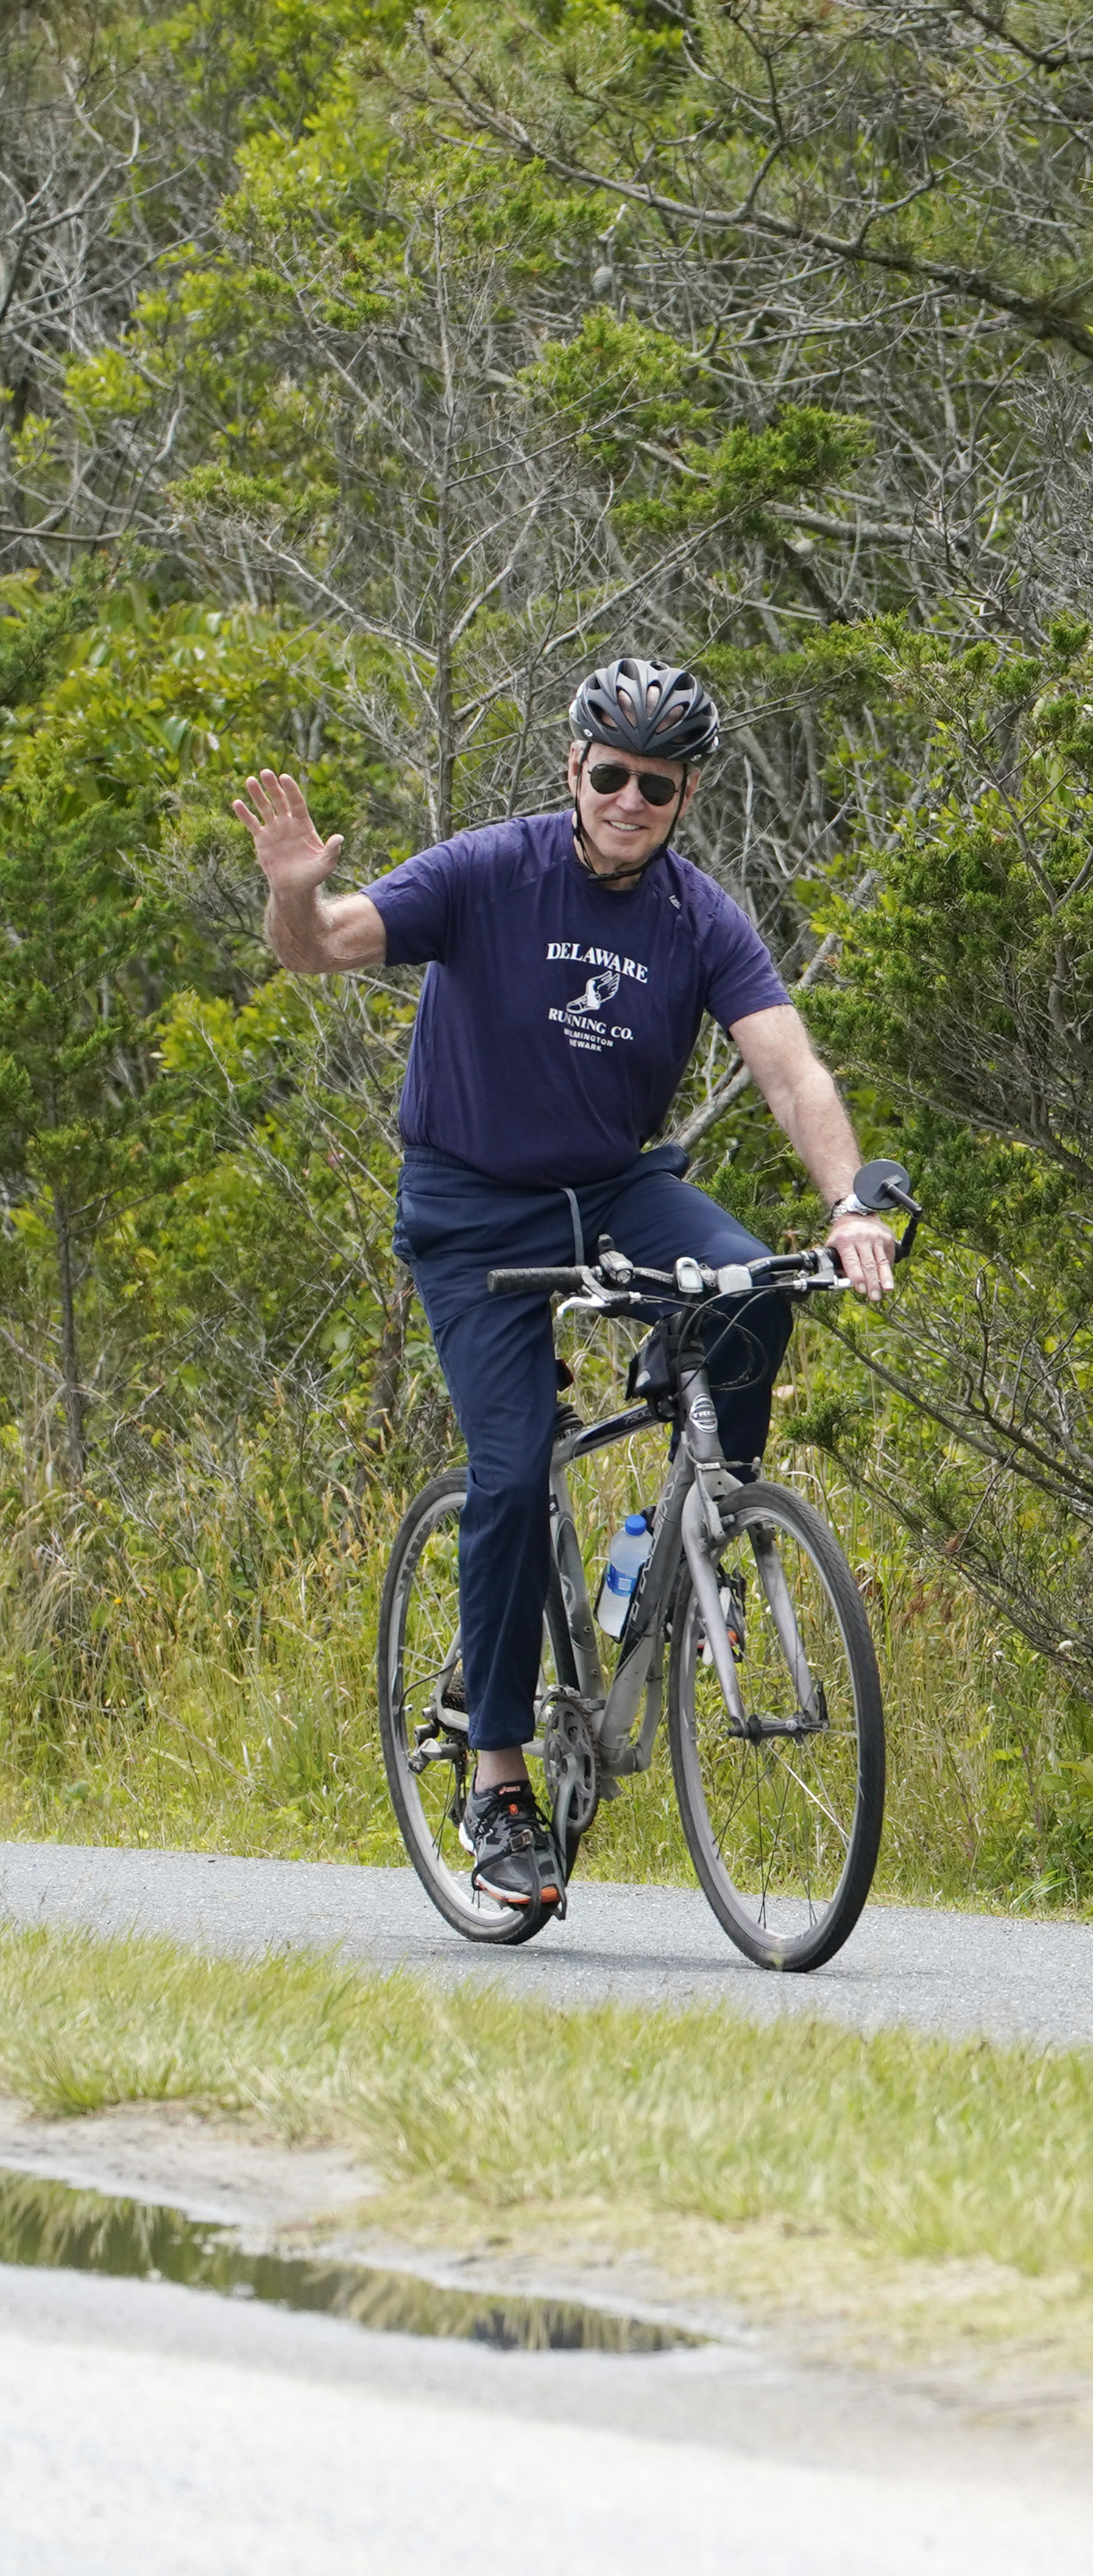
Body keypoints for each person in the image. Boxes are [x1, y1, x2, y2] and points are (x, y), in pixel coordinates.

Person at [233, 659, 896, 1910]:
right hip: (471, 1204)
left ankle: (704, 1522)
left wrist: (849, 1201)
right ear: (573, 769)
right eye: (610, 774)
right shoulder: (488, 871)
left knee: (757, 1286)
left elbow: (791, 1071)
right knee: (516, 1466)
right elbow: (321, 949)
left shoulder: (699, 918)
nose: (629, 799)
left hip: (613, 1186)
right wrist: (290, 896)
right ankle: (496, 1781)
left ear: (686, 795)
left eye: (657, 783)